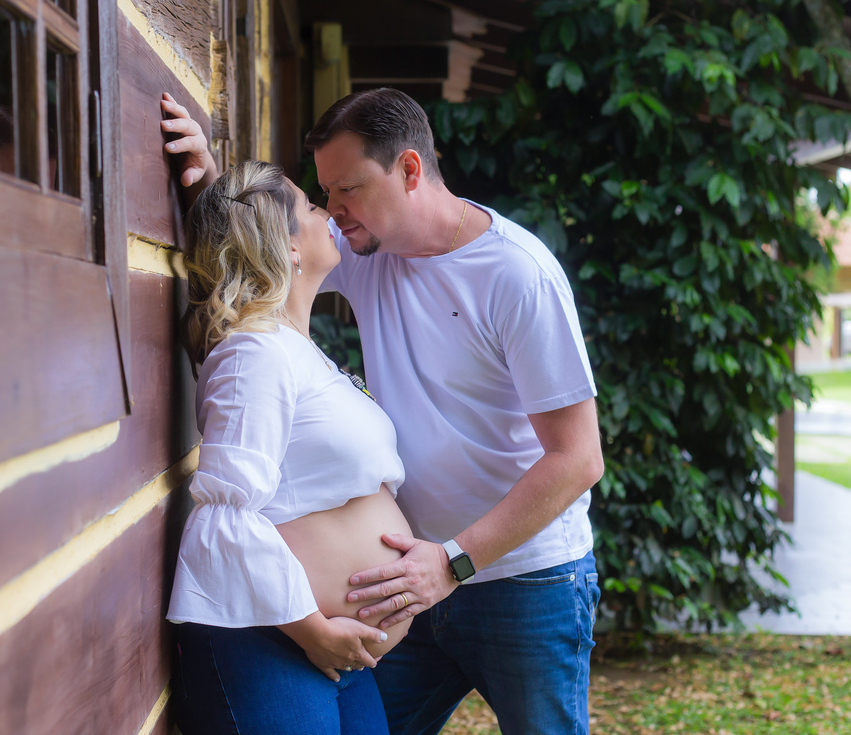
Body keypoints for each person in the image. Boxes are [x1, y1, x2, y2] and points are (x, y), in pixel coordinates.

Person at [162, 87, 605, 735]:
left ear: (410, 170)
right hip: (404, 584)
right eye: (324, 194)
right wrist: (207, 181)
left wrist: (452, 562)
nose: (334, 211)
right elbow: (261, 245)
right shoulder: (366, 250)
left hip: (521, 578)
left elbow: (579, 458)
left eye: (347, 189)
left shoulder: (517, 275)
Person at [164, 156, 416, 735]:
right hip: (271, 640)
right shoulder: (253, 354)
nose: (326, 212)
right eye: (310, 205)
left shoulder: (294, 349)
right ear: (288, 245)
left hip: (329, 649)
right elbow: (227, 514)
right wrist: (313, 630)